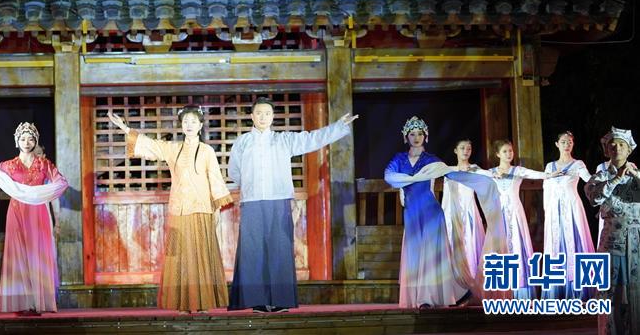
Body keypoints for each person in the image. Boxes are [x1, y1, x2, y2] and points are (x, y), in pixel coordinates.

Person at [227, 97, 357, 312]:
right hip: (252, 202)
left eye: (267, 113)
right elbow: (234, 172)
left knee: (279, 250)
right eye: (259, 113)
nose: (263, 117)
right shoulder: (242, 142)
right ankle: (256, 300)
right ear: (252, 116)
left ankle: (280, 300)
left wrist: (337, 126)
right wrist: (250, 185)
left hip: (278, 201)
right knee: (253, 252)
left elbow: (312, 139)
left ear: (272, 117)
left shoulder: (284, 140)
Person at [108, 106, 232, 313]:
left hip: (201, 208)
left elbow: (215, 180)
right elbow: (150, 145)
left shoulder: (207, 151)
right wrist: (125, 128)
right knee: (179, 256)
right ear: (181, 126)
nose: (189, 125)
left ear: (200, 125)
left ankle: (202, 303)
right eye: (186, 122)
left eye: (193, 121)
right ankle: (182, 303)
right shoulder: (173, 148)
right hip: (178, 209)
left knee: (200, 254)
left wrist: (217, 208)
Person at [384, 117, 467, 308]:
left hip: (431, 213)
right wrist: (414, 178)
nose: (416, 137)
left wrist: (474, 175)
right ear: (406, 137)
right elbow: (389, 176)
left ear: (426, 136)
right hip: (412, 213)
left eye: (420, 134)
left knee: (430, 256)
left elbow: (448, 171)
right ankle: (422, 297)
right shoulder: (399, 159)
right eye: (412, 134)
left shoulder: (431, 160)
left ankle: (427, 298)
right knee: (415, 255)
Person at [0, 122, 66, 314]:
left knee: (37, 254)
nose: (27, 142)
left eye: (30, 138)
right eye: (23, 138)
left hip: (37, 212)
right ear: (16, 141)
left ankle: (37, 301)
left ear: (36, 141)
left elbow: (61, 182)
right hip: (17, 211)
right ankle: (21, 302)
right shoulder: (7, 165)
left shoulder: (44, 164)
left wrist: (40, 193)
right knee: (17, 254)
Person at [478, 140, 561, 299]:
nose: (509, 154)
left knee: (517, 245)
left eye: (510, 151)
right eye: (505, 151)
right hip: (499, 213)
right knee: (498, 248)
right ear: (498, 154)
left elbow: (536, 174)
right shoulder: (491, 172)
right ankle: (501, 289)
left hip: (515, 212)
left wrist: (550, 175)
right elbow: (476, 172)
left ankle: (520, 290)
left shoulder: (518, 170)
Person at [585, 127, 639, 335]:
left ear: (629, 150)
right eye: (612, 145)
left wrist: (634, 175)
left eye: (621, 145)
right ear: (606, 150)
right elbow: (594, 198)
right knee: (610, 293)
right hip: (611, 241)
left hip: (635, 242)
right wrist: (616, 179)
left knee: (634, 294)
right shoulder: (599, 177)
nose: (617, 148)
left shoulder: (637, 175)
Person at [541, 131, 595, 300]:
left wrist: (607, 178)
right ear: (557, 144)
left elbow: (590, 180)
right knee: (555, 245)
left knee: (576, 241)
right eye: (563, 142)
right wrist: (547, 211)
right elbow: (546, 189)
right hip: (554, 209)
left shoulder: (578, 164)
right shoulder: (550, 166)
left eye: (570, 142)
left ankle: (579, 290)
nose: (567, 145)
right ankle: (557, 290)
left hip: (572, 207)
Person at [441, 139, 485, 298]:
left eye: (469, 148)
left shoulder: (475, 169)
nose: (466, 151)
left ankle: (472, 286)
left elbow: (489, 178)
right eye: (462, 148)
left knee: (470, 246)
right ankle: (455, 288)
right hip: (452, 214)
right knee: (454, 248)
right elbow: (446, 197)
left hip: (469, 211)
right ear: (455, 150)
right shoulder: (448, 171)